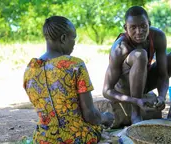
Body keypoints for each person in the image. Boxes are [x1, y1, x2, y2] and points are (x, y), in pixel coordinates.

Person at [23, 16, 114, 144]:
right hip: (75, 138)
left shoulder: (30, 69)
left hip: (42, 139)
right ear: (64, 38)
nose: (74, 42)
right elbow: (90, 115)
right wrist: (104, 117)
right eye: (74, 37)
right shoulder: (75, 65)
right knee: (97, 129)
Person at [102, 6, 171, 126]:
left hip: (145, 80)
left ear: (149, 24)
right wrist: (135, 100)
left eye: (143, 26)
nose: (139, 31)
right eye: (133, 27)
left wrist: (162, 96)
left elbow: (163, 74)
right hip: (125, 87)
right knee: (140, 55)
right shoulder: (119, 48)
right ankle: (136, 115)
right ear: (126, 28)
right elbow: (106, 90)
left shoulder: (158, 37)